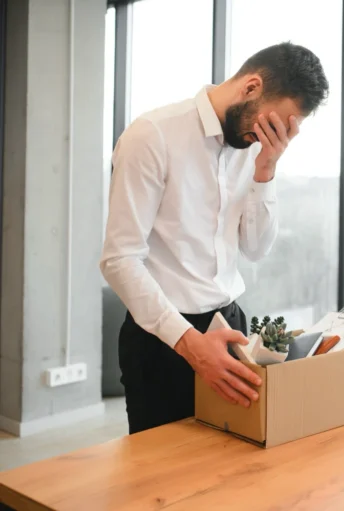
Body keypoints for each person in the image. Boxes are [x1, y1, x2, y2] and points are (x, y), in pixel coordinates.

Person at [101, 42, 329, 434]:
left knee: (234, 463)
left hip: (230, 322)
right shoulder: (152, 135)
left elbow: (255, 249)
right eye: (273, 125)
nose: (270, 138)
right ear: (251, 87)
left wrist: (266, 171)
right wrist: (190, 343)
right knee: (164, 477)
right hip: (163, 337)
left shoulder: (253, 148)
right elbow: (119, 259)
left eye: (285, 132)